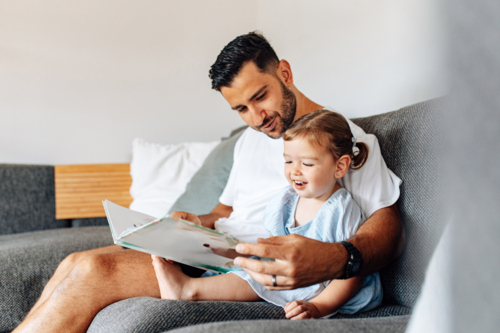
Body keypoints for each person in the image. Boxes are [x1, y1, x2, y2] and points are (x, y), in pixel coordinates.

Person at [14, 32, 404, 333]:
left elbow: (388, 226)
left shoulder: (343, 141)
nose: (255, 118)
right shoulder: (251, 140)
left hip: (252, 268)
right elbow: (224, 212)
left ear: (284, 73)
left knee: (91, 272)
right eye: (240, 109)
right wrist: (193, 223)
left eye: (260, 96)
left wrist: (337, 259)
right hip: (214, 250)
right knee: (74, 262)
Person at [152, 110, 383, 319]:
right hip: (293, 270)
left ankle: (188, 290)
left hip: (331, 288)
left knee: (258, 274)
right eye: (289, 161)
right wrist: (224, 249)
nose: (295, 171)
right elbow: (271, 248)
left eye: (308, 164)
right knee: (251, 263)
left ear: (340, 167)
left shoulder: (341, 210)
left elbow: (353, 274)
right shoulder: (286, 200)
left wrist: (319, 307)